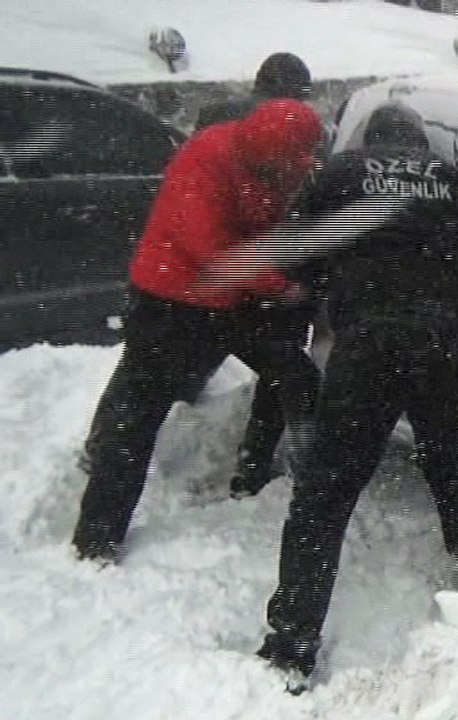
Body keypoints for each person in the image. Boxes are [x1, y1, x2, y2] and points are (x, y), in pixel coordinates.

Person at [199, 103, 458, 689]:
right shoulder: (457, 183)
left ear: (374, 141)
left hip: (374, 339)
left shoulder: (340, 173)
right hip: (452, 338)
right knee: (446, 457)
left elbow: (297, 250)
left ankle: (291, 646)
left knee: (326, 490)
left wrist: (325, 288)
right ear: (420, 143)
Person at [71, 100, 325, 565]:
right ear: (265, 149)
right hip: (171, 301)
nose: (290, 172)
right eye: (286, 162)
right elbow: (210, 249)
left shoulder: (280, 167)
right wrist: (279, 285)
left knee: (294, 374)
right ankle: (97, 538)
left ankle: (264, 475)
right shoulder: (206, 157)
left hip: (231, 301)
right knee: (139, 415)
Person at [191, 52, 320, 499]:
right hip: (274, 270)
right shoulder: (303, 131)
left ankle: (120, 438)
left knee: (174, 362)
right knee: (285, 368)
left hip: (219, 273)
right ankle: (258, 465)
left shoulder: (214, 119)